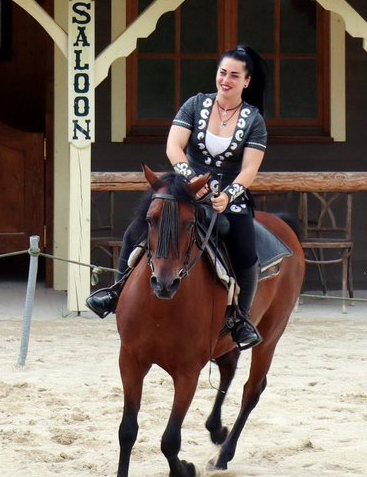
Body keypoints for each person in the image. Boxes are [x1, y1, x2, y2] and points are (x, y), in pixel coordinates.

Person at [85, 46, 269, 349]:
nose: (226, 79)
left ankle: (240, 320)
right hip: (184, 190)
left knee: (246, 250)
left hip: (228, 198)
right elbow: (174, 147)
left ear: (246, 82)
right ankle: (115, 292)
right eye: (223, 72)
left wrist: (227, 195)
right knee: (138, 228)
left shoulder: (254, 120)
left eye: (234, 75)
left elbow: (249, 169)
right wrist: (190, 182)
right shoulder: (196, 104)